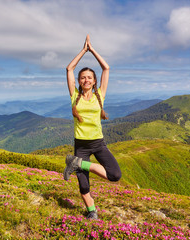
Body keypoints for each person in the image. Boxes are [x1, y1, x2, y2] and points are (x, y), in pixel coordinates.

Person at [64, 35, 122, 220]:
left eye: (89, 77)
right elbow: (69, 68)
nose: (86, 80)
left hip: (98, 143)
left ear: (94, 81)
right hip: (81, 145)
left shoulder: (100, 95)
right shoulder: (74, 96)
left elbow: (106, 68)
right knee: (83, 184)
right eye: (82, 78)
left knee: (114, 175)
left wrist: (92, 49)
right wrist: (83, 50)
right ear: (79, 81)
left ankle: (77, 163)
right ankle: (92, 212)